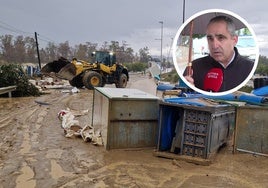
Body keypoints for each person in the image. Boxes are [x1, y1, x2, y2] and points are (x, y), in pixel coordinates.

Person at [184, 15, 254, 92]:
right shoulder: (193, 68)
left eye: (221, 38)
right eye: (210, 38)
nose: (214, 45)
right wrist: (190, 90)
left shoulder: (250, 68)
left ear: (234, 40)